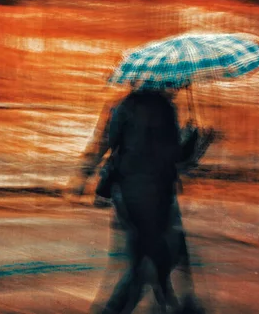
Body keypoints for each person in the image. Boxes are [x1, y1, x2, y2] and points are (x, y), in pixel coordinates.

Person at [73, 87, 205, 313]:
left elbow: (105, 144)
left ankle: (171, 302)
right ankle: (172, 304)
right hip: (158, 197)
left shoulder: (122, 106)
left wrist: (83, 176)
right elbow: (176, 157)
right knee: (150, 260)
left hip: (128, 194)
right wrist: (195, 139)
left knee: (150, 258)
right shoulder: (166, 109)